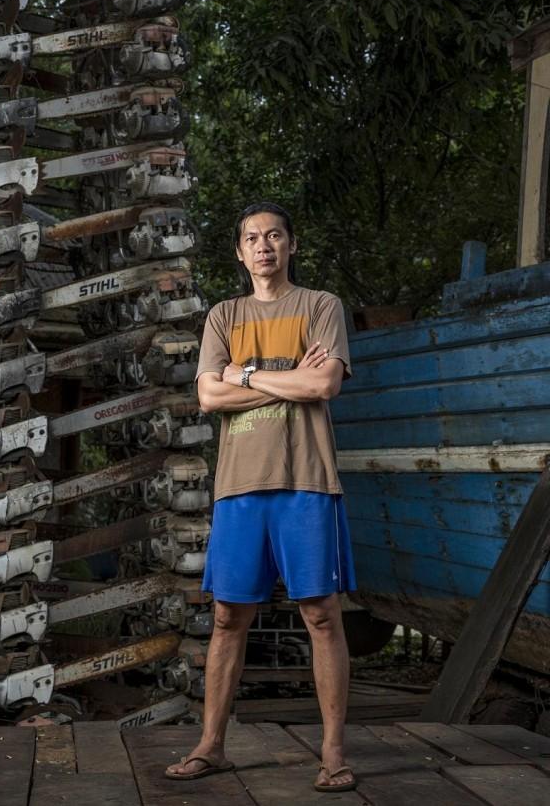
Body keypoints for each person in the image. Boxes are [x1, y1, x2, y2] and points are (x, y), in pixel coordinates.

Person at [165, 202, 357, 793]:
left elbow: (323, 384)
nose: (263, 245)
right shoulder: (223, 316)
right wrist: (279, 381)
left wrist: (243, 376)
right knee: (227, 617)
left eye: (274, 235)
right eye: (252, 237)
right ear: (240, 252)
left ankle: (332, 755)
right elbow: (208, 399)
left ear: (291, 245)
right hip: (239, 487)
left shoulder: (321, 306)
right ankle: (211, 746)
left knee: (321, 616)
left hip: (306, 481)